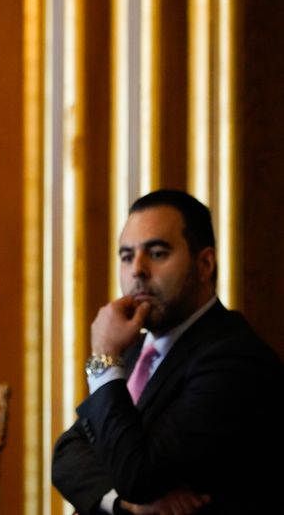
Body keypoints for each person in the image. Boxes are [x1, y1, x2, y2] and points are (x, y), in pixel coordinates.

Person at [52, 189, 284, 515]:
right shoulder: (136, 351)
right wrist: (125, 506)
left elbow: (139, 475)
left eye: (157, 253)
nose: (138, 270)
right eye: (127, 256)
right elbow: (67, 453)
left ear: (204, 264)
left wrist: (104, 357)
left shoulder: (234, 359)